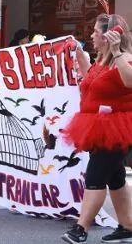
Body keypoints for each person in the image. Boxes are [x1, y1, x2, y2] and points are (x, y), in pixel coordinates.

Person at [62, 14, 132, 243]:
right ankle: (127, 227)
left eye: (95, 32)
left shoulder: (126, 58)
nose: (91, 35)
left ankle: (80, 228)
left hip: (118, 128)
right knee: (115, 177)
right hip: (97, 127)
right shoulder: (100, 61)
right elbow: (90, 85)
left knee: (96, 174)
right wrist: (79, 55)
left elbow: (130, 81)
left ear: (109, 35)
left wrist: (118, 51)